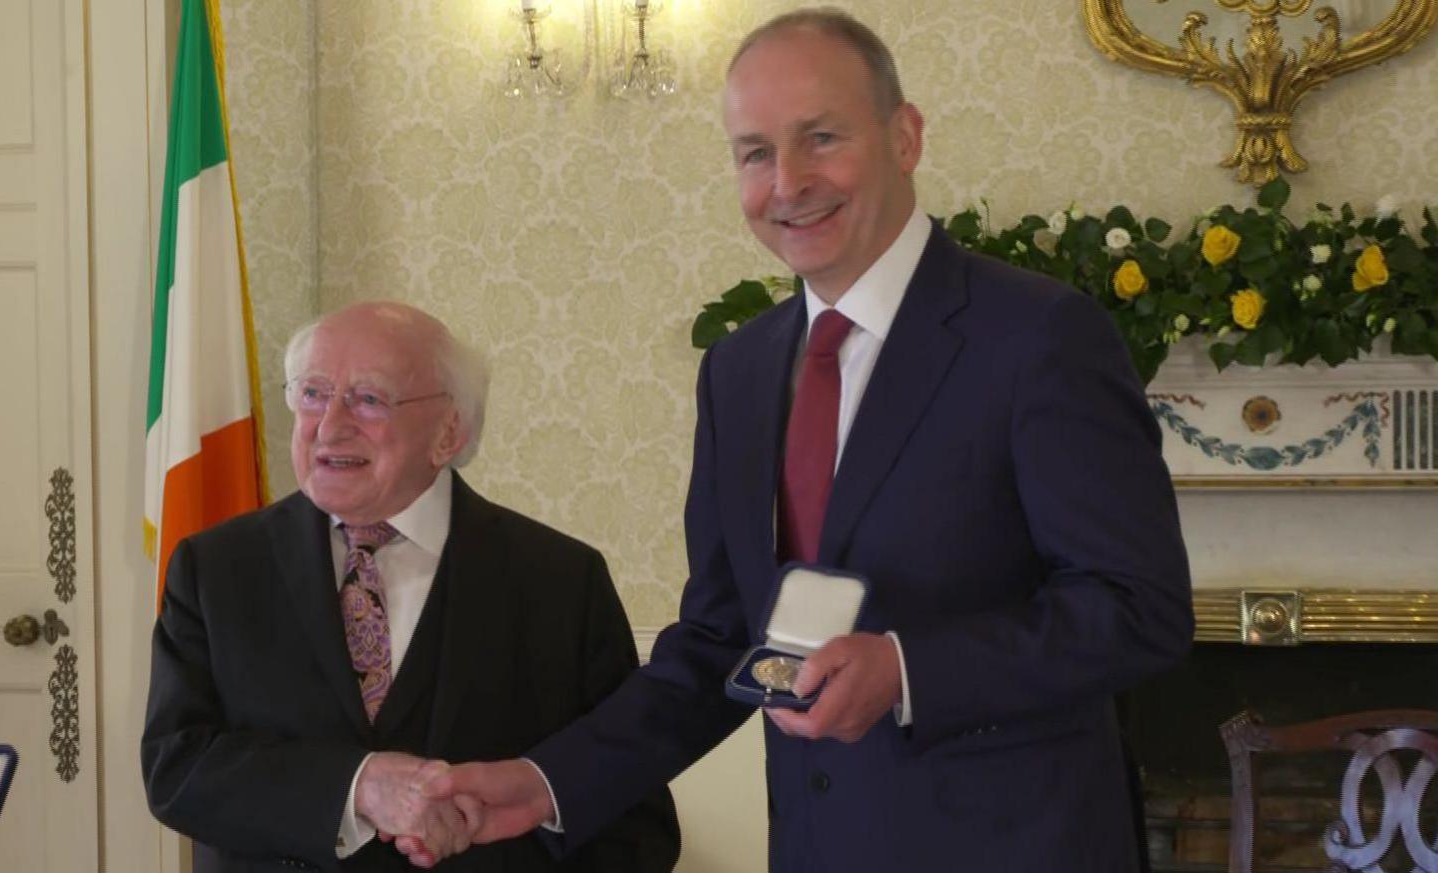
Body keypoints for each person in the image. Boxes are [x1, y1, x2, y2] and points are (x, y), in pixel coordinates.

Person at [430, 8, 1194, 871]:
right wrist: (545, 782)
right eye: (755, 153)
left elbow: (1140, 609)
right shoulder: (738, 370)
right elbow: (723, 640)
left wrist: (907, 671)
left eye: (821, 138)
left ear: (905, 136)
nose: (787, 182)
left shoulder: (1040, 336)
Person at [141, 302, 679, 872]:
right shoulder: (216, 567)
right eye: (313, 394)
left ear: (449, 431)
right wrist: (357, 788)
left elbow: (632, 816)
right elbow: (176, 769)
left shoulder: (561, 581)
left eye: (369, 399)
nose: (329, 425)